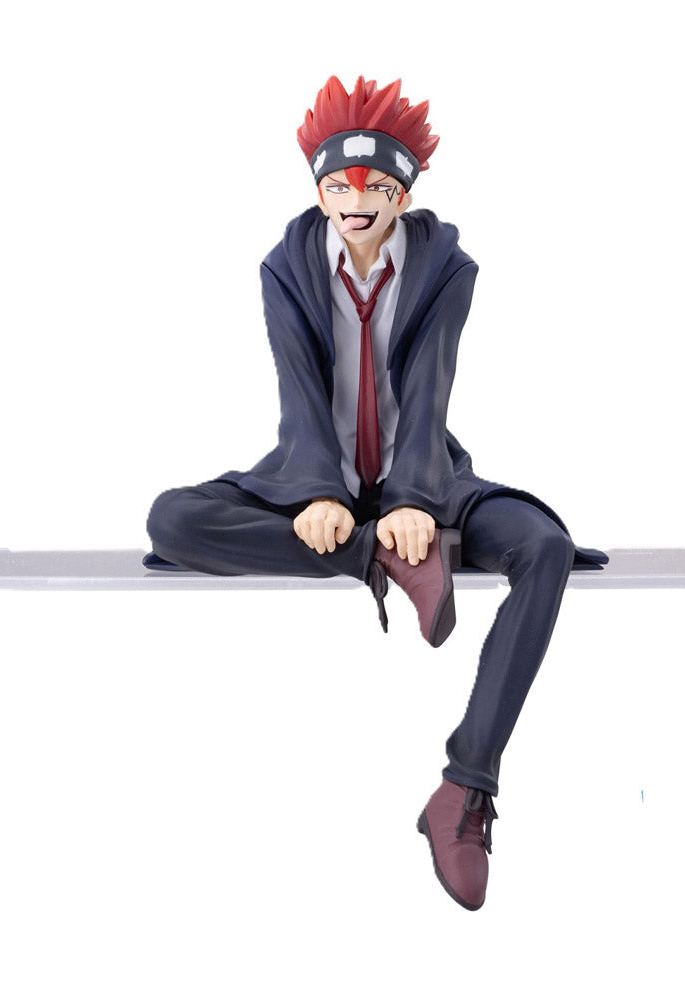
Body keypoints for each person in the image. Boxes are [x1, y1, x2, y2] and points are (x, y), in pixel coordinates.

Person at [144, 75, 607, 910]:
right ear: (318, 187)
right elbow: (297, 390)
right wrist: (319, 495)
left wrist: (412, 502)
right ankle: (370, 559)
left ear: (405, 191)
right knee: (173, 521)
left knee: (544, 546)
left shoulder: (445, 269)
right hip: (317, 482)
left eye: (375, 186)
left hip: (427, 479)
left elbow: (430, 391)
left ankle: (464, 788)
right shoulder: (286, 267)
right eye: (338, 184)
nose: (355, 200)